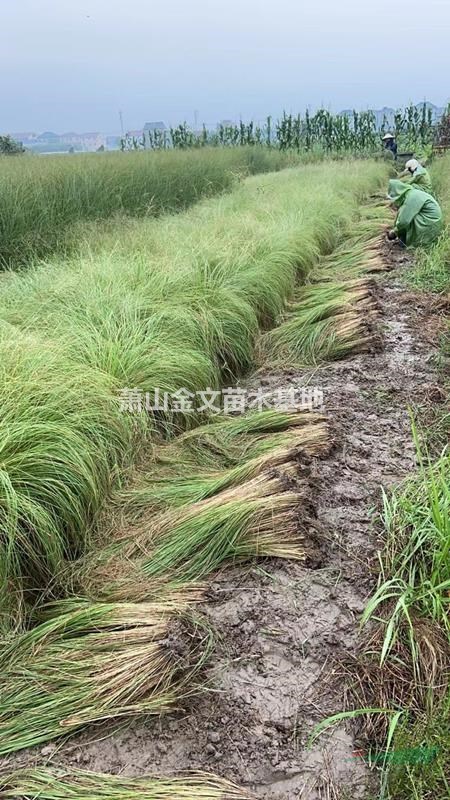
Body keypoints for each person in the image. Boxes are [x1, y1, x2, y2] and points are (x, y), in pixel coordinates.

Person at [387, 179, 443, 247]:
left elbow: (404, 221)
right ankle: (403, 239)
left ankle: (410, 242)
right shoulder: (411, 193)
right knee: (403, 212)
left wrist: (394, 232)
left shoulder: (411, 198)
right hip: (432, 221)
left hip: (430, 223)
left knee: (408, 218)